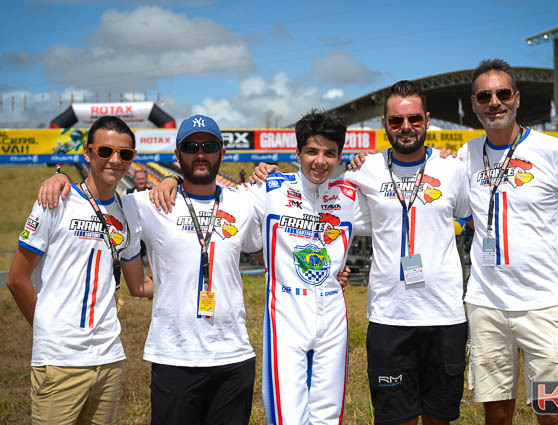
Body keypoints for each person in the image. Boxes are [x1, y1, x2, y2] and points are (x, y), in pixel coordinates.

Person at [252, 81, 472, 425]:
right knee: (393, 417)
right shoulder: (363, 172)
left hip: (443, 314)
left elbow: (479, 215)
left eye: (414, 119)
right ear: (384, 124)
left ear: (427, 120)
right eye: (396, 121)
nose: (406, 127)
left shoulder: (452, 168)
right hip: (388, 316)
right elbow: (237, 201)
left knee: (439, 417)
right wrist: (171, 182)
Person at [38, 114, 263, 425]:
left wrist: (331, 275)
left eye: (209, 146)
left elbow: (275, 253)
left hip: (233, 356)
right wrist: (60, 177)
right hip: (174, 356)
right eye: (190, 146)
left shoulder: (244, 204)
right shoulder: (144, 204)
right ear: (177, 155)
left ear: (222, 153)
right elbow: (99, 196)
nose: (200, 153)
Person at [152, 110, 363, 425]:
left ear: (339, 156)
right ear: (298, 153)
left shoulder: (350, 195)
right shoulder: (271, 188)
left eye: (330, 153)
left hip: (333, 315)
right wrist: (172, 179)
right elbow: (211, 195)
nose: (320, 161)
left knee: (328, 415)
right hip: (287, 315)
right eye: (312, 151)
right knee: (289, 417)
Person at [458, 59, 558, 425]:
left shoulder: (552, 150)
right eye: (484, 96)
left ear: (516, 98)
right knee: (497, 415)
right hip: (486, 304)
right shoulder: (464, 155)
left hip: (543, 304)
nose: (494, 103)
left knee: (553, 414)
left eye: (502, 94)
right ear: (473, 104)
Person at [7, 116, 151, 425]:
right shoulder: (56, 199)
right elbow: (16, 279)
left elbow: (138, 285)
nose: (115, 160)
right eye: (105, 151)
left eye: (125, 154)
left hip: (110, 358)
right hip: (60, 361)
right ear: (87, 153)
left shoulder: (129, 211)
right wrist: (47, 328)